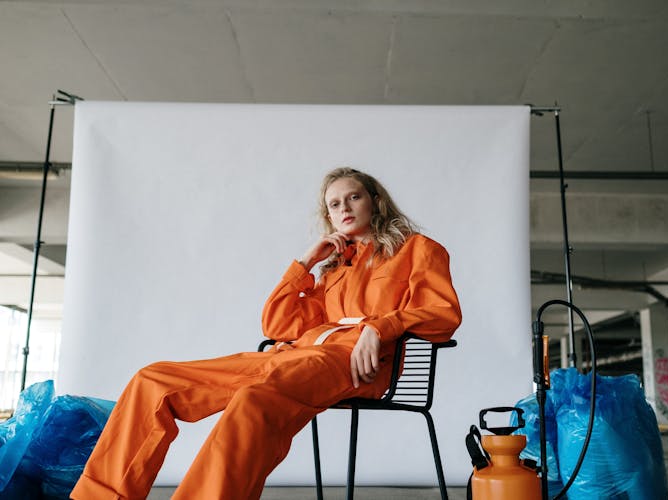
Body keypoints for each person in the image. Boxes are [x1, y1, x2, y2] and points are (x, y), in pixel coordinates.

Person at [71, 167, 462, 499]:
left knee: (255, 399)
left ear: (375, 200)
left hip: (354, 365)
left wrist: (381, 327)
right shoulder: (333, 269)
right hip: (291, 356)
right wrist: (306, 262)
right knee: (153, 379)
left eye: (353, 198)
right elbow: (278, 325)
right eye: (334, 204)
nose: (344, 208)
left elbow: (443, 312)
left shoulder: (418, 250)